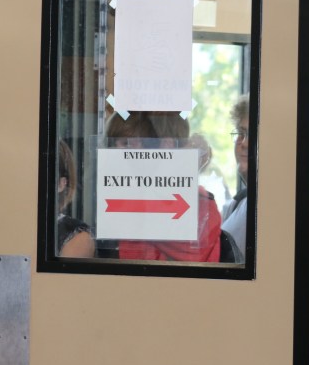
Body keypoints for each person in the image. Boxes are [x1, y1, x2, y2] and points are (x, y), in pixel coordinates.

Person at [105, 111, 222, 262]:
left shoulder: (201, 206)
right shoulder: (116, 195)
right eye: (112, 145)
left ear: (167, 146)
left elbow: (193, 253)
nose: (118, 153)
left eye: (129, 144)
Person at [221, 94, 249, 254]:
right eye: (241, 133)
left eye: (253, 134)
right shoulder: (235, 204)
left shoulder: (284, 206)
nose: (244, 143)